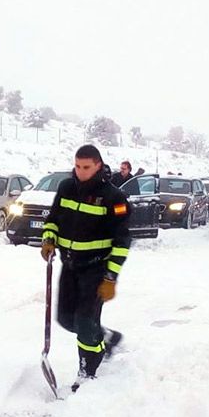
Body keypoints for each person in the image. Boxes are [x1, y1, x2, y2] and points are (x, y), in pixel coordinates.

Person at [40, 145, 130, 391]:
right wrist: (49, 239)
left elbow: (122, 242)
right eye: (77, 166)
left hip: (96, 268)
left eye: (86, 167)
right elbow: (53, 220)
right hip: (69, 265)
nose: (80, 172)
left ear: (98, 165)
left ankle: (87, 372)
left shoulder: (114, 198)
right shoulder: (66, 188)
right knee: (66, 319)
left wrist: (111, 277)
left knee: (85, 321)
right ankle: (107, 338)